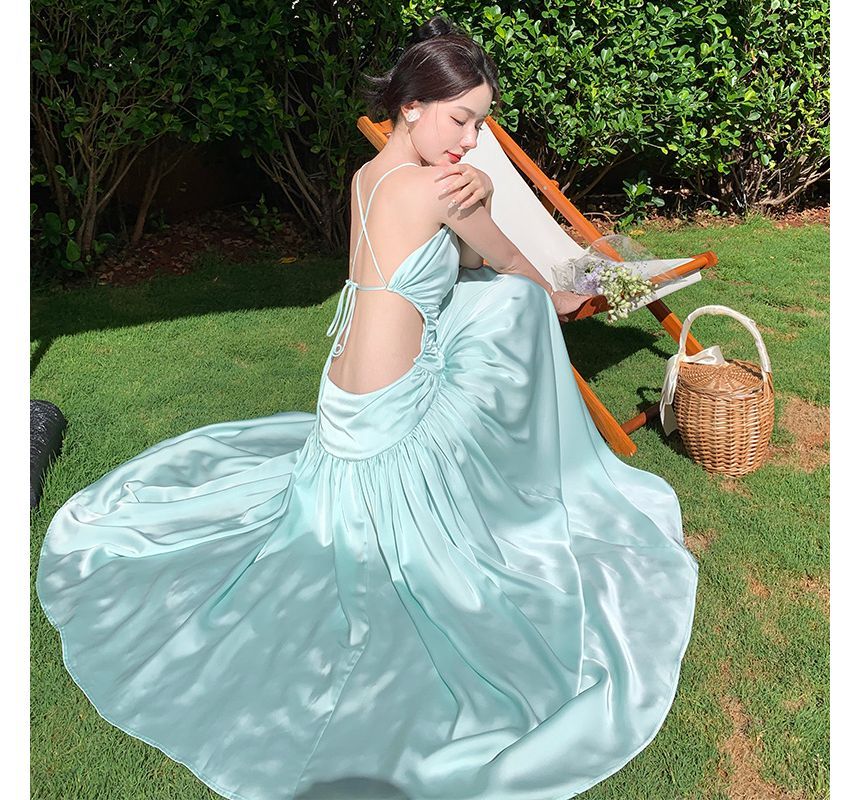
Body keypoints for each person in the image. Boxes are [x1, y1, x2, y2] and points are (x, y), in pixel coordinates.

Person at [36, 15, 699, 800]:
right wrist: (552, 272)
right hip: (390, 419)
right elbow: (515, 265)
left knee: (491, 307)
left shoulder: (368, 176)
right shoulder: (439, 187)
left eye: (481, 125)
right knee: (516, 305)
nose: (472, 141)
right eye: (462, 120)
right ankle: (544, 477)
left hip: (343, 404)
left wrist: (482, 199)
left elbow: (449, 256)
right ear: (412, 106)